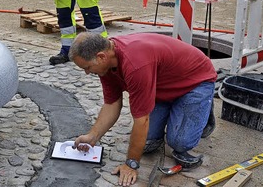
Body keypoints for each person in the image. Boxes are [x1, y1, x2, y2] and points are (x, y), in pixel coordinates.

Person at [69, 32, 217, 186]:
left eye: (87, 67)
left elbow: (142, 120)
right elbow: (112, 103)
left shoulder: (135, 64)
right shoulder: (106, 64)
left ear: (101, 57)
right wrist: (93, 136)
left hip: (195, 82)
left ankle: (204, 108)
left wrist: (131, 163)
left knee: (179, 143)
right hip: (162, 86)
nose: (87, 73)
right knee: (146, 143)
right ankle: (173, 109)